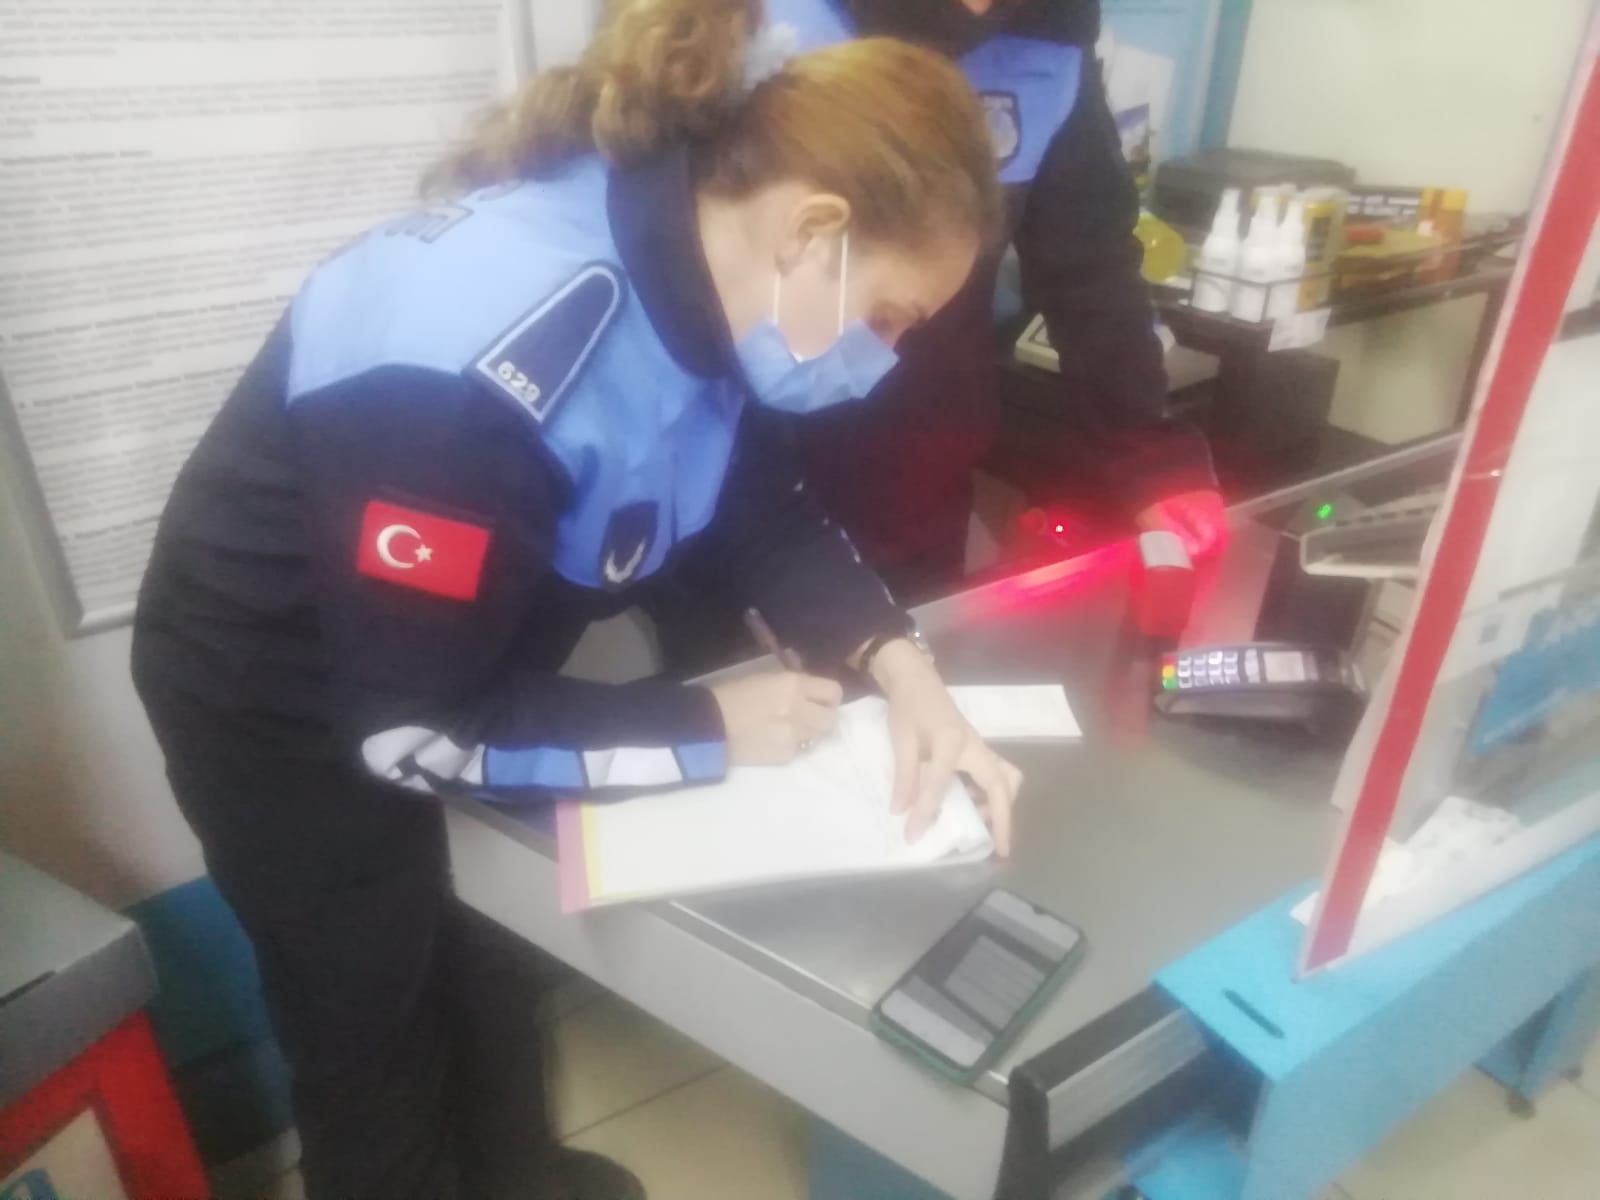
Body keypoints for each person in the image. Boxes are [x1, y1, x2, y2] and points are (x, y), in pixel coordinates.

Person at [129, 2, 1021, 1197]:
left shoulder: (703, 274)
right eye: (891, 318)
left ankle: (517, 1174)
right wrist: (708, 726)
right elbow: (416, 732)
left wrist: (903, 667)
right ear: (815, 230)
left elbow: (757, 503)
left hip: (448, 663)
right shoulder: (474, 374)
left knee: (486, 951)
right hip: (273, 694)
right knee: (370, 1022)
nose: (890, 356)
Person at [649, 0, 1225, 669]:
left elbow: (1091, 263)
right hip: (727, 482)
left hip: (912, 476)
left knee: (906, 690)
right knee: (739, 696)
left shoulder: (1052, 44)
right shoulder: (761, 21)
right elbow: (668, 236)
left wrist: (1150, 452)